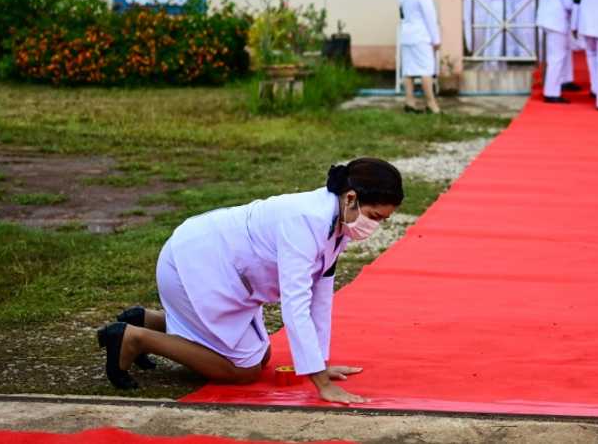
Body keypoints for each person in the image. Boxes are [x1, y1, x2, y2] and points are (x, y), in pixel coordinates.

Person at [97, 158, 404, 404]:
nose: (374, 226)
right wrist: (320, 383)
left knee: (264, 355)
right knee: (242, 370)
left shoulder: (338, 222)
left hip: (223, 274)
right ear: (351, 198)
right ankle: (134, 338)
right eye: (375, 216)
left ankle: (150, 320)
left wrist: (320, 363)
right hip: (192, 266)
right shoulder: (305, 221)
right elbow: (296, 305)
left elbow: (320, 297)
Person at [537, 0, 581, 103]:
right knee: (557, 57)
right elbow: (569, 3)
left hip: (547, 19)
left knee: (565, 51)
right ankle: (551, 93)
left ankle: (565, 80)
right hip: (557, 21)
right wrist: (579, 6)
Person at [398, 0, 442, 114]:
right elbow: (430, 17)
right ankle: (431, 105)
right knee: (426, 70)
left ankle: (410, 103)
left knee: (408, 70)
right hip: (420, 36)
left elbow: (402, 14)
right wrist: (436, 39)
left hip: (406, 35)